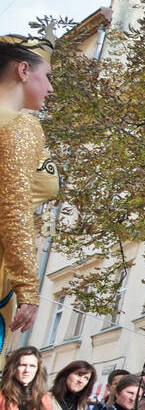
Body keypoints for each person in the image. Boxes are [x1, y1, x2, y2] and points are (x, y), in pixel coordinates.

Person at [0, 35, 60, 356]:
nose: (51, 88)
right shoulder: (21, 125)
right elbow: (14, 209)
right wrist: (27, 287)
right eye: (47, 76)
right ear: (23, 70)